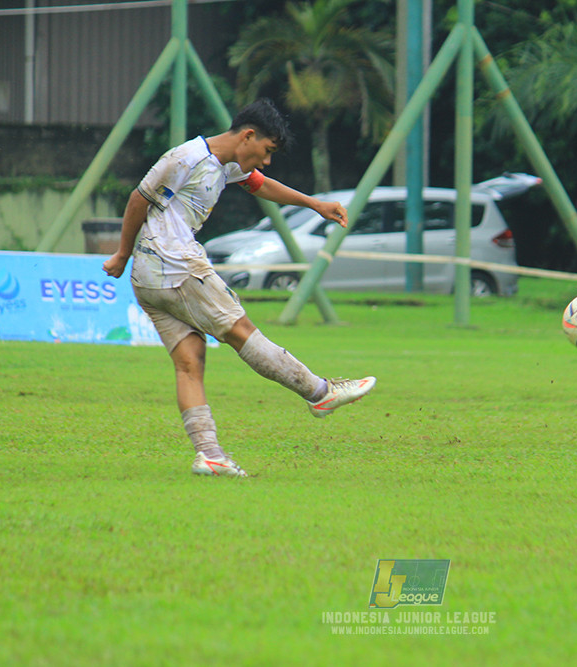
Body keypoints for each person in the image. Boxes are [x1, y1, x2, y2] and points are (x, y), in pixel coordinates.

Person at [103, 99, 376, 478]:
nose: (267, 160)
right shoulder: (186, 158)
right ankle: (320, 393)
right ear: (248, 135)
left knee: (189, 363)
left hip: (149, 278)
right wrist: (121, 253)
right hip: (176, 265)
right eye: (267, 150)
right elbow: (139, 198)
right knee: (241, 331)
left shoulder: (226, 163)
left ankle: (210, 455)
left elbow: (259, 184)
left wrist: (314, 204)